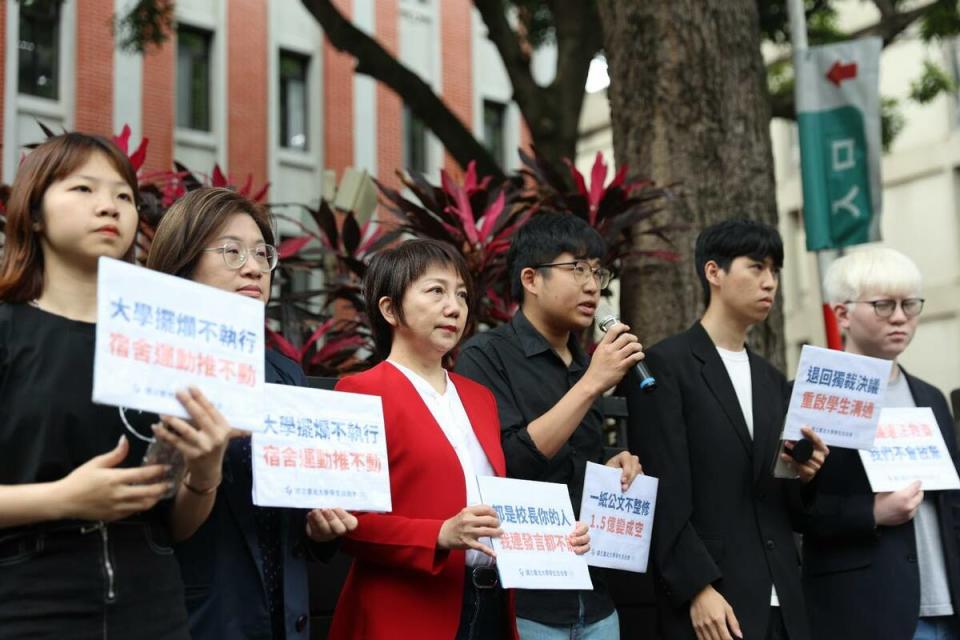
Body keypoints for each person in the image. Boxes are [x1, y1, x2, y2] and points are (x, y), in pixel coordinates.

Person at [0, 133, 232, 637]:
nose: (109, 206)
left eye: (123, 195)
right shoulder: (8, 330)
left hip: (153, 605)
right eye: (83, 189)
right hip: (26, 602)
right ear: (33, 213)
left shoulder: (166, 343)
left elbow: (177, 524)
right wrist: (63, 498)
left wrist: (205, 471)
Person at [330, 238, 590, 639]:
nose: (455, 307)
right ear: (390, 309)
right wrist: (438, 533)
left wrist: (555, 536)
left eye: (462, 295)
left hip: (492, 606)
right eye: (436, 291)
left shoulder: (479, 397)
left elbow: (498, 502)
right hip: (406, 613)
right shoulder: (361, 391)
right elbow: (349, 524)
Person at [146, 186, 358, 639]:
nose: (254, 268)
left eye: (263, 254)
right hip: (198, 618)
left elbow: (298, 502)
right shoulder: (150, 365)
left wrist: (321, 528)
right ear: (183, 262)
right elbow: (148, 515)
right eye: (232, 252)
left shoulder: (284, 373)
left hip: (288, 618)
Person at [627, 219, 829, 640]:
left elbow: (776, 497)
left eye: (774, 271)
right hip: (713, 602)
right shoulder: (667, 366)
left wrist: (805, 479)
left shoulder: (772, 380)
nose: (769, 282)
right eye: (756, 267)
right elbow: (663, 491)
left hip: (783, 599)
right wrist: (697, 587)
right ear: (713, 272)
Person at [456, 213, 644, 639]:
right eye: (576, 269)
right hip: (527, 600)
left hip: (595, 597)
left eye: (598, 271)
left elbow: (574, 460)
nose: (593, 285)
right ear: (531, 279)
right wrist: (592, 385)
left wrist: (611, 465)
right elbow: (507, 463)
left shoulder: (585, 363)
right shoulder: (485, 356)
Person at [799, 246, 960, 640]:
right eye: (884, 305)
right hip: (864, 608)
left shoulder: (932, 397)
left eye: (910, 304)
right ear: (842, 314)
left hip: (946, 603)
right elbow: (792, 508)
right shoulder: (815, 394)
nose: (901, 317)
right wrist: (871, 512)